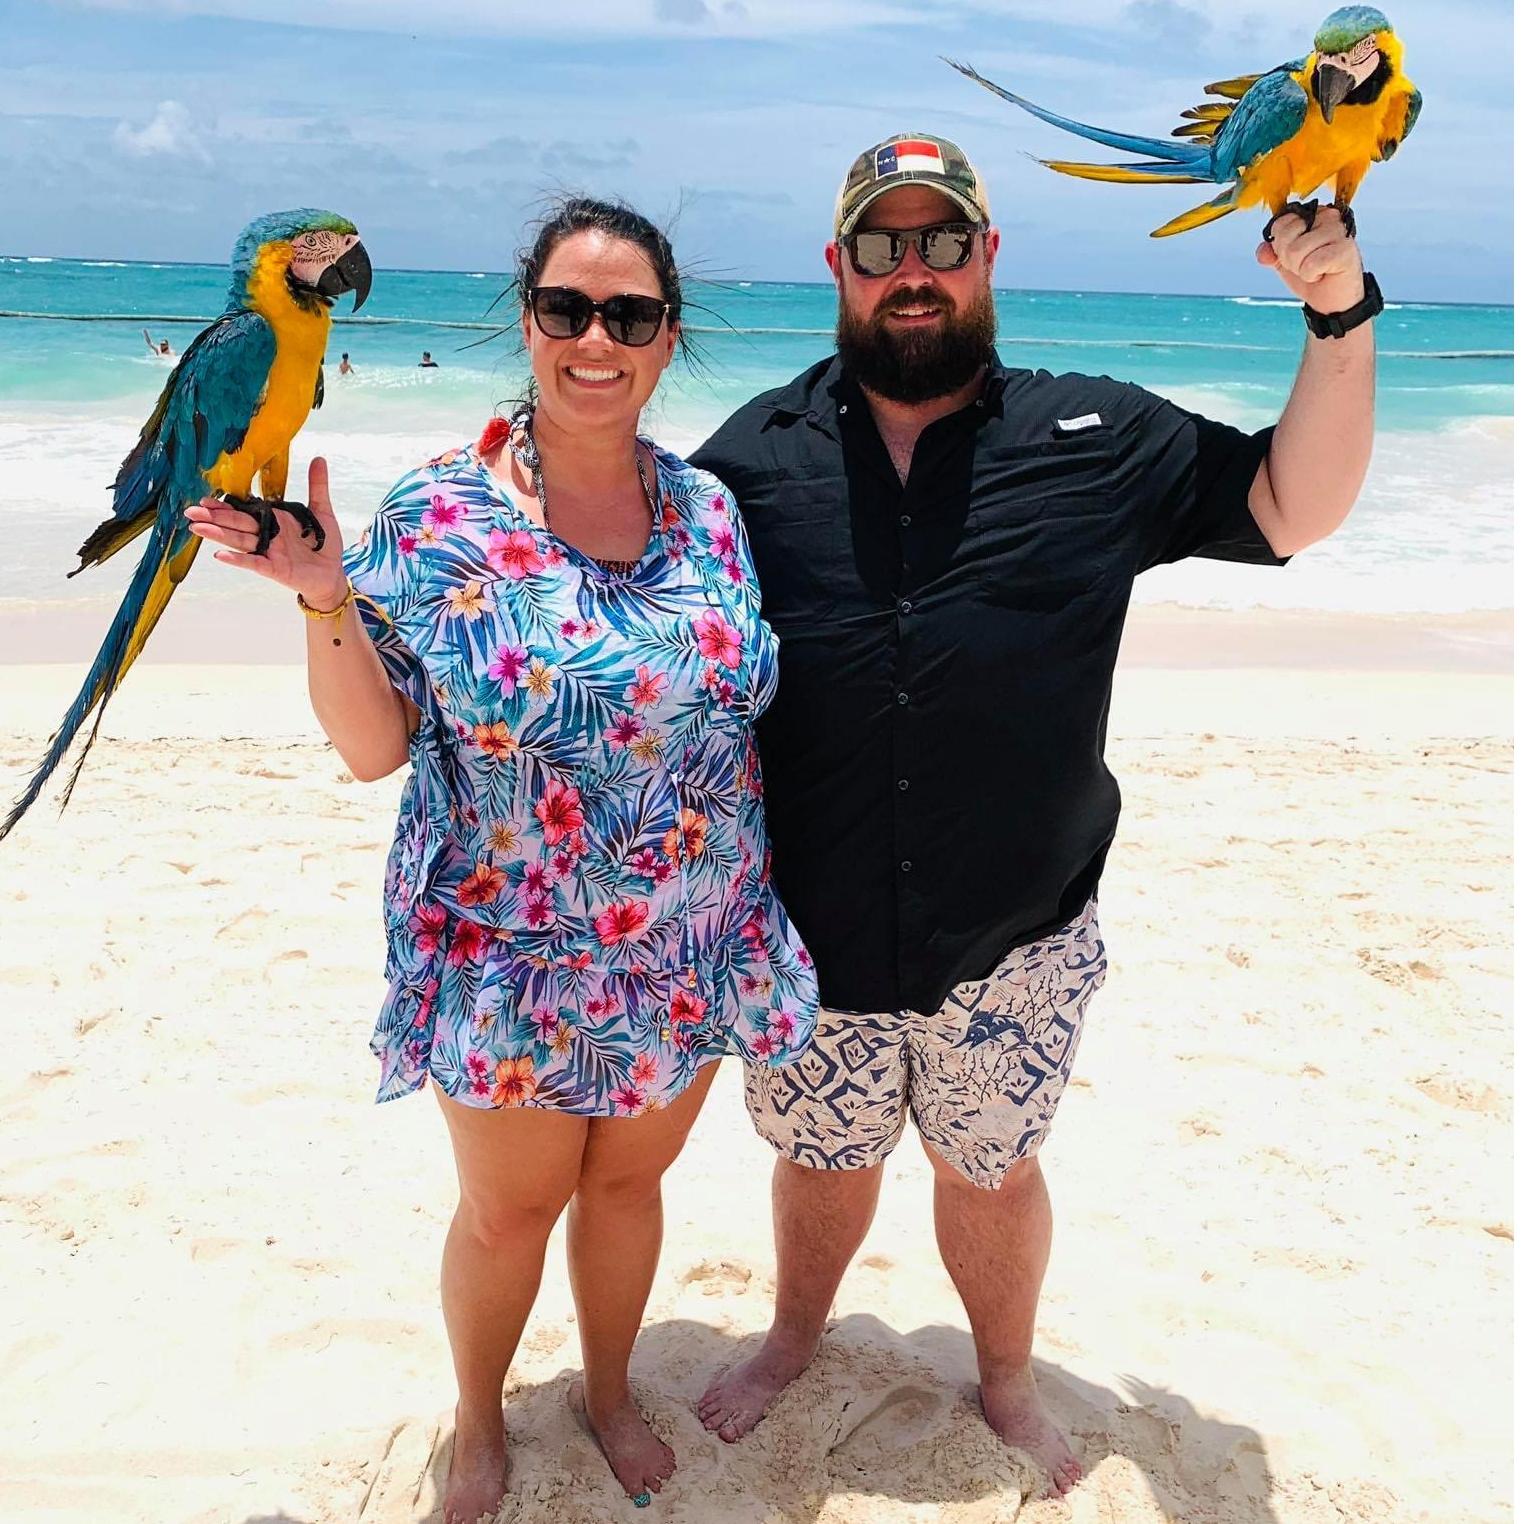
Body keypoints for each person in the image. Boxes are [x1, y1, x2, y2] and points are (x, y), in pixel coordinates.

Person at [690, 133, 1375, 1495]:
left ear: (988, 257)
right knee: (820, 1161)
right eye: (883, 245)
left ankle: (1004, 1378)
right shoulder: (750, 456)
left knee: (992, 1171)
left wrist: (1338, 317)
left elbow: (1296, 506)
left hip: (1017, 936)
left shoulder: (1097, 436)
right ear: (839, 265)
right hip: (809, 930)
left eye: (944, 241)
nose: (915, 270)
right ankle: (791, 1337)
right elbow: (626, 588)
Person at [183, 195, 818, 1522]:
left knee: (629, 1186)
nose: (597, 340)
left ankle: (609, 1391)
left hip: (688, 940)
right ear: (526, 323)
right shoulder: (438, 512)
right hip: (510, 952)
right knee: (510, 1214)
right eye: (566, 310)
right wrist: (324, 597)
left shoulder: (710, 512)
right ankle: (480, 1416)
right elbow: (373, 748)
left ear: (668, 337)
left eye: (629, 316)